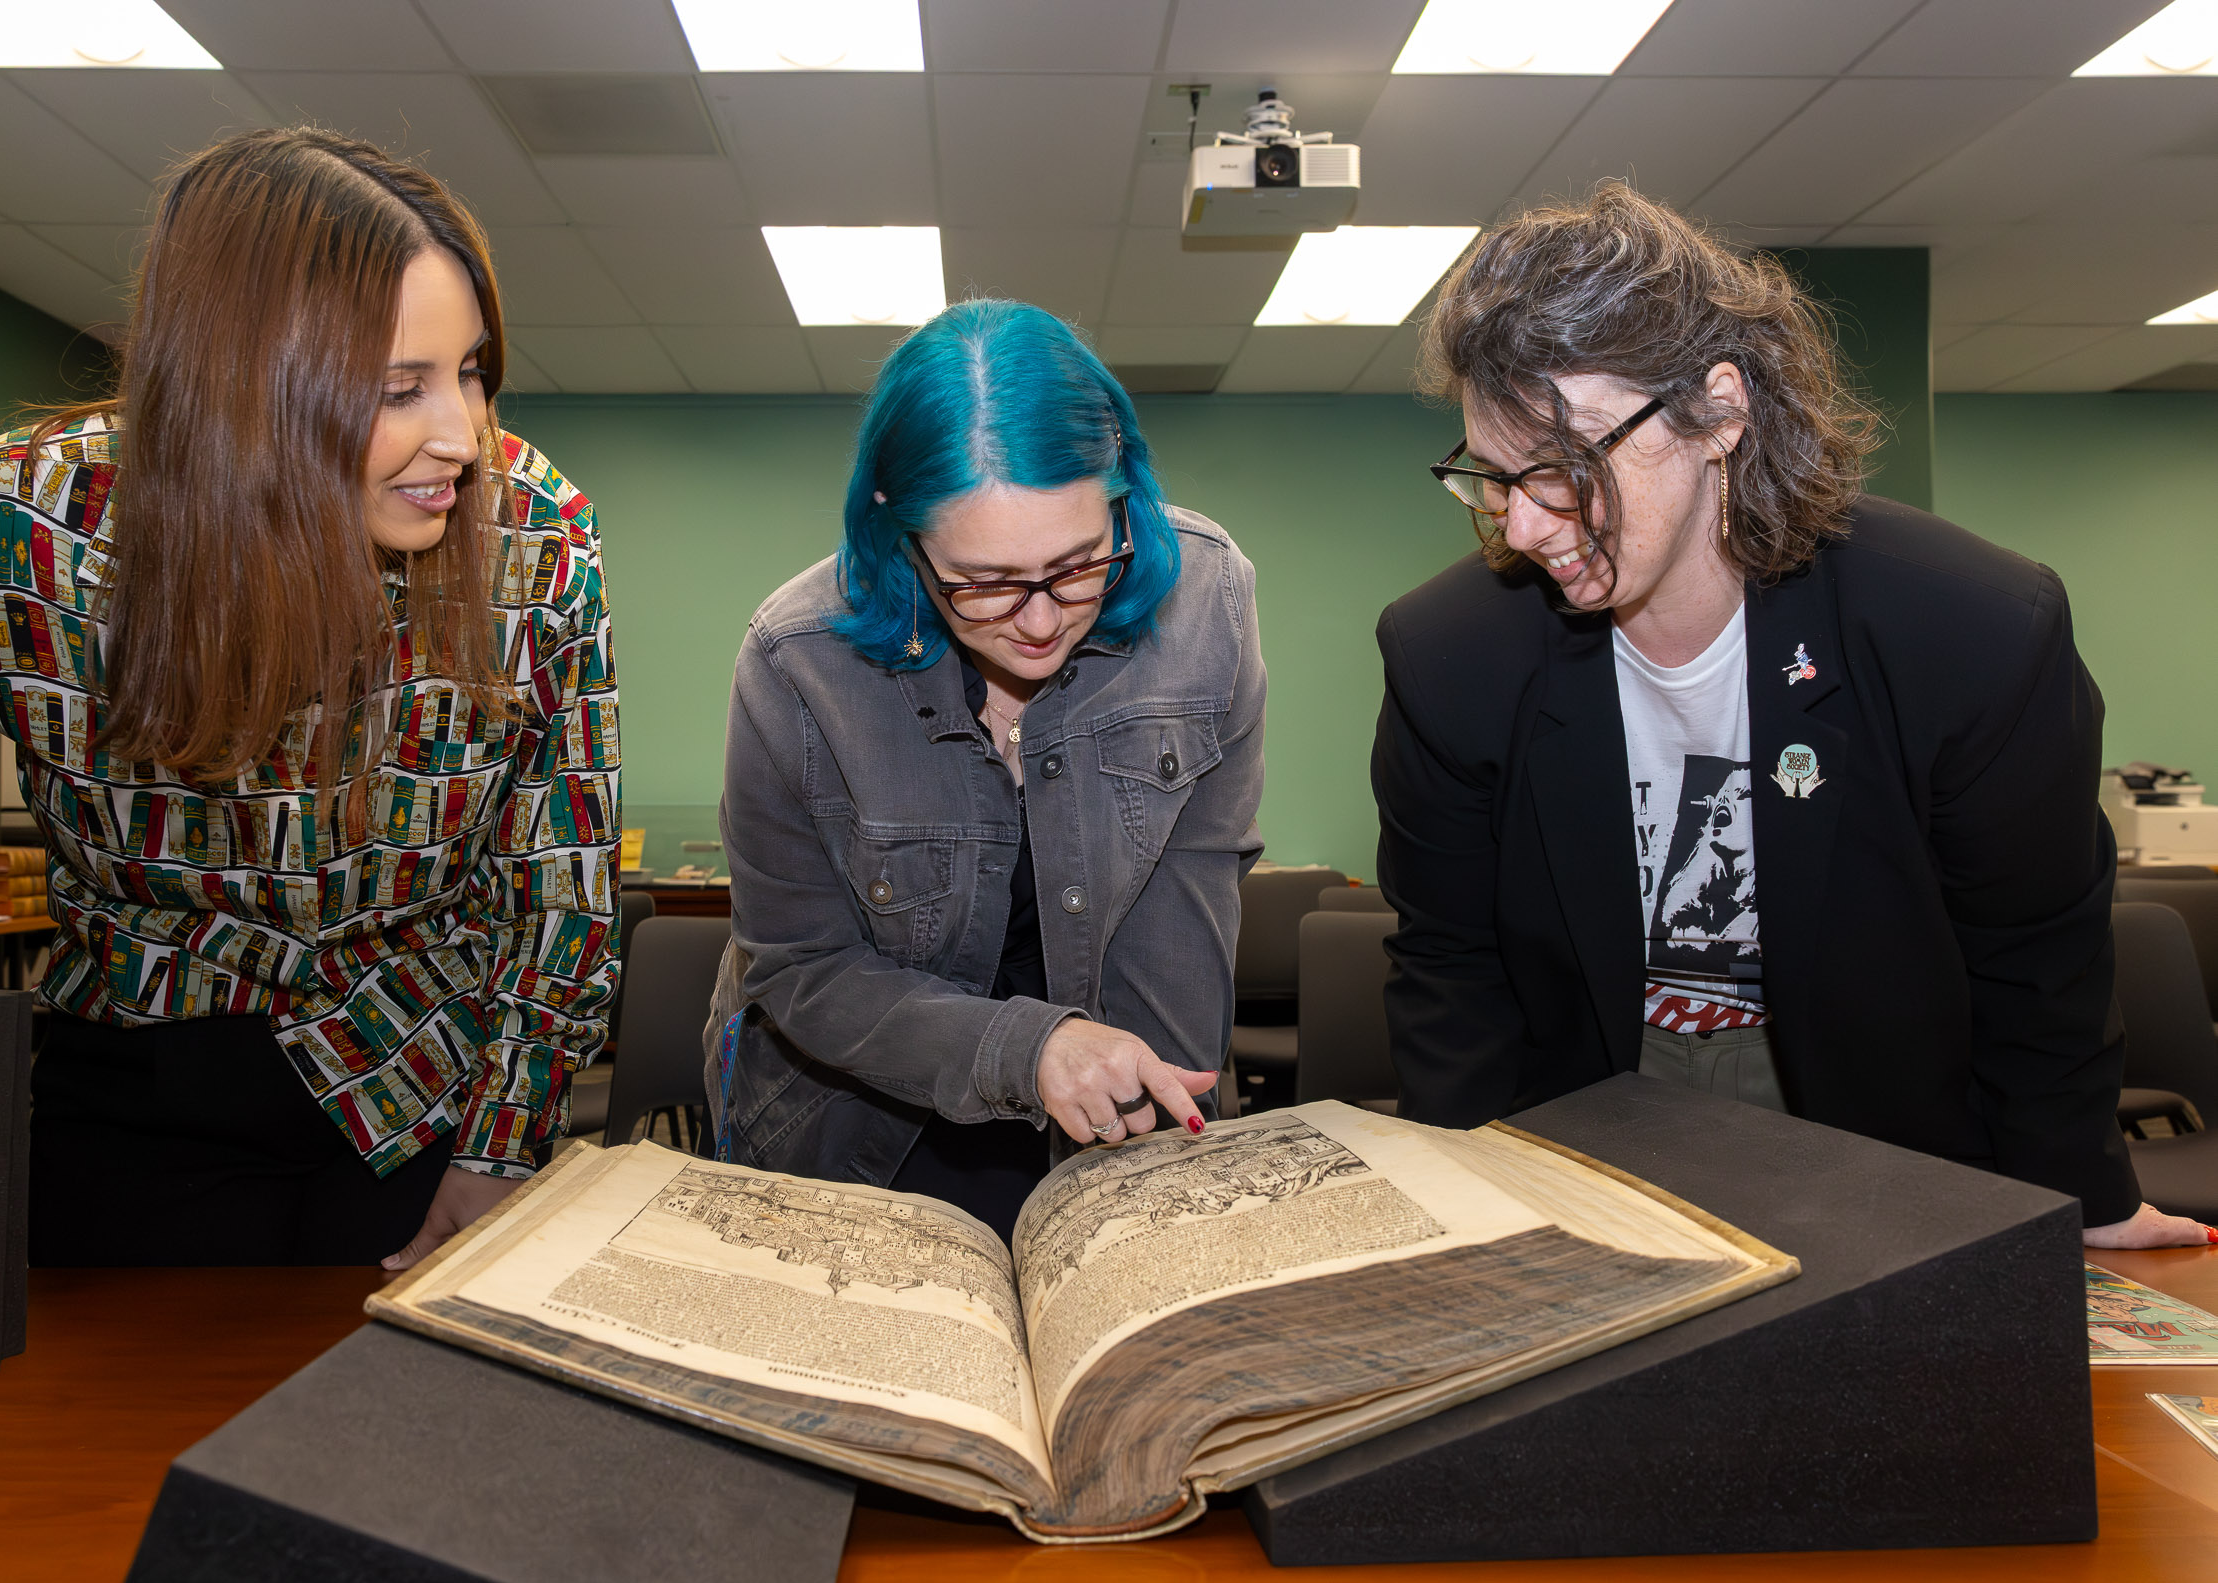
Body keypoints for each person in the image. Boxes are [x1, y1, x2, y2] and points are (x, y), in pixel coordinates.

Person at [0, 129, 620, 1269]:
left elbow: (564, 881)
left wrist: (505, 1142)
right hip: (134, 1086)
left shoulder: (534, 536)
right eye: (400, 389)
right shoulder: (6, 530)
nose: (464, 434)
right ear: (243, 383)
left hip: (424, 1095)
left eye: (473, 369)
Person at [1373, 181, 2209, 1252]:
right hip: (1590, 1161)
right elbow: (1451, 970)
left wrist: (2076, 1199)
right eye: (1490, 476)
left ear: (1717, 411)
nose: (1526, 524)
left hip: (1891, 1155)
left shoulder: (1971, 628)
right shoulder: (1451, 654)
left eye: (1567, 467)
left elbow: (2035, 958)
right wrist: (1473, 1224)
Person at [704, 299, 1266, 1239]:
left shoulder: (1208, 605)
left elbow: (1190, 906)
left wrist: (1151, 1181)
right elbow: (803, 968)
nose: (1042, 621)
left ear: (1124, 489)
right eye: (986, 582)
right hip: (856, 1126)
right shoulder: (795, 662)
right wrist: (1029, 1047)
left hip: (1107, 1102)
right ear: (897, 533)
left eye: (1081, 563)